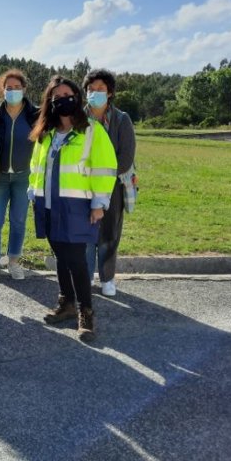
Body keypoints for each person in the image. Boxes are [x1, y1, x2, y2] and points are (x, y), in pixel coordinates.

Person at [29, 75, 117, 342]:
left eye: (67, 95)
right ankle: (65, 303)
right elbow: (36, 167)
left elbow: (105, 168)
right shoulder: (46, 133)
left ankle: (85, 312)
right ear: (49, 102)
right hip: (49, 205)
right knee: (60, 256)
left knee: (76, 259)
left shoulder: (91, 130)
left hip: (78, 206)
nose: (62, 100)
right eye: (56, 98)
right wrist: (33, 193)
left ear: (77, 98)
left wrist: (99, 204)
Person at [0, 69, 39, 282]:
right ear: (2, 90)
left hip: (24, 177)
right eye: (8, 88)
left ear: (24, 89)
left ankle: (14, 262)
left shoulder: (35, 115)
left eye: (17, 87)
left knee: (18, 220)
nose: (13, 91)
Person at [82, 68, 136, 297]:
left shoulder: (121, 119)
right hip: (81, 185)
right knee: (84, 234)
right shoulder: (77, 118)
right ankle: (83, 277)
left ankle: (107, 278)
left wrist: (103, 179)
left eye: (101, 90)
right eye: (91, 89)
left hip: (113, 185)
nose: (95, 93)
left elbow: (126, 157)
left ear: (110, 93)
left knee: (109, 234)